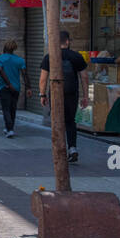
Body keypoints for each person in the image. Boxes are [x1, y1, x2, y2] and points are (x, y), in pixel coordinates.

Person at [39, 30, 90, 165]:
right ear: (67, 41)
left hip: (55, 93)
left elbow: (43, 79)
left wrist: (42, 94)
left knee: (57, 121)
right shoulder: (76, 56)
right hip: (72, 93)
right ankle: (72, 147)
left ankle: (59, 149)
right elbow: (84, 77)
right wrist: (86, 96)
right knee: (70, 121)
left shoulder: (49, 57)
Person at [0, 40, 29, 139]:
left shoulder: (0, 59)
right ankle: (10, 128)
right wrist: (28, 87)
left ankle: (9, 129)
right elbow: (24, 74)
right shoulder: (19, 60)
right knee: (13, 108)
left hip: (4, 87)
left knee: (6, 108)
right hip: (16, 87)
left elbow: (0, 70)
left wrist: (8, 84)